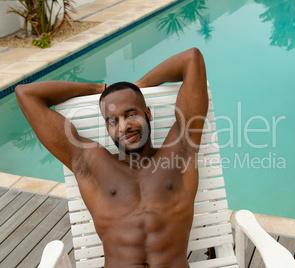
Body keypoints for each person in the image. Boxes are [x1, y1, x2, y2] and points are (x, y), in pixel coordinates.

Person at [16, 48, 208, 268]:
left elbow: (191, 59)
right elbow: (26, 94)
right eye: (112, 121)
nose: (124, 127)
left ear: (148, 113)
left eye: (131, 114)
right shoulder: (90, 164)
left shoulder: (180, 151)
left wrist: (141, 83)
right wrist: (98, 89)